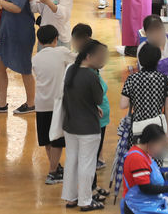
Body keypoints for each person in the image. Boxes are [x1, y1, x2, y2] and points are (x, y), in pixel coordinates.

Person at [61, 39, 107, 211]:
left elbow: (71, 96)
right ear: (89, 56)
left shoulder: (70, 70)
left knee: (71, 162)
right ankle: (86, 201)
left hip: (70, 125)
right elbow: (98, 99)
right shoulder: (91, 76)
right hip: (88, 127)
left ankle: (71, 197)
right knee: (87, 164)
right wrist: (94, 107)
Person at [32, 25, 75, 185]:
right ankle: (52, 172)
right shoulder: (62, 53)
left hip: (41, 103)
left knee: (47, 139)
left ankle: (55, 168)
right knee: (57, 138)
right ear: (56, 39)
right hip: (58, 103)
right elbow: (78, 60)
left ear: (40, 41)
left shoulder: (35, 59)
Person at [121, 125, 168, 214]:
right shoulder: (136, 158)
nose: (160, 150)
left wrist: (166, 175)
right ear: (151, 142)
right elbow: (145, 187)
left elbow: (148, 177)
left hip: (149, 202)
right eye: (160, 145)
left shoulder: (145, 154)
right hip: (138, 206)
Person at [121, 43, 168, 147]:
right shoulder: (165, 80)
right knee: (155, 158)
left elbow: (123, 105)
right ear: (158, 60)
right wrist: (166, 132)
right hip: (157, 128)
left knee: (138, 158)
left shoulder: (132, 79)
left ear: (140, 59)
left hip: (137, 127)